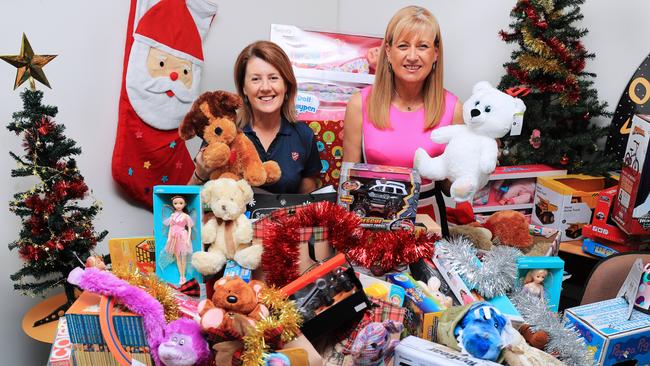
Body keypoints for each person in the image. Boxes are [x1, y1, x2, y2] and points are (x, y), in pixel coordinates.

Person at [342, 5, 463, 218]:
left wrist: (473, 168)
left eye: (423, 46)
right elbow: (348, 184)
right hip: (374, 220)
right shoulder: (359, 104)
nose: (413, 56)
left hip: (429, 223)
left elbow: (449, 187)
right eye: (403, 46)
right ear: (388, 51)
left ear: (435, 53)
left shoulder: (453, 108)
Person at [189, 41, 322, 193]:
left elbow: (308, 203)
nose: (265, 87)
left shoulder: (304, 135)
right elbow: (185, 207)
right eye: (255, 79)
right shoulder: (222, 130)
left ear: (286, 85)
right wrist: (200, 174)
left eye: (273, 78)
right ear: (244, 88)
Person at [164, 195, 194, 284]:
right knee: (177, 257)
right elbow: (171, 227)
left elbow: (190, 228)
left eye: (181, 203)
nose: (178, 205)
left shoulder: (186, 216)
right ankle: (181, 276)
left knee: (183, 257)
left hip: (183, 236)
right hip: (174, 237)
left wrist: (188, 239)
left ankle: (183, 276)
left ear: (185, 204)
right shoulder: (172, 216)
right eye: (175, 203)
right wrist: (169, 238)